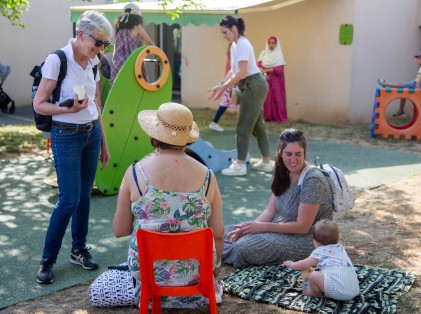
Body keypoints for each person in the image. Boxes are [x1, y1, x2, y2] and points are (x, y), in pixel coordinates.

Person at [110, 102, 224, 308]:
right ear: (187, 137)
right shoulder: (208, 176)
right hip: (197, 280)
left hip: (149, 281)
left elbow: (120, 230)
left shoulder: (136, 173)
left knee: (100, 288)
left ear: (154, 135)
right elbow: (218, 234)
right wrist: (215, 267)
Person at [33, 11, 112, 284]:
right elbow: (39, 104)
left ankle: (78, 249)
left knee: (85, 195)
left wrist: (103, 142)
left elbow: (95, 104)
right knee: (69, 199)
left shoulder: (93, 61)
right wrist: (66, 109)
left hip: (91, 134)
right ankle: (47, 259)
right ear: (81, 35)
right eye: (98, 42)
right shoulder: (57, 60)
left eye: (105, 44)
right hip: (66, 135)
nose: (102, 49)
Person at [222, 128, 334, 267]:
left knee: (242, 248)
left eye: (298, 154)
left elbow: (303, 227)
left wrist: (261, 228)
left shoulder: (313, 180)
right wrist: (249, 229)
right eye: (288, 154)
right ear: (280, 153)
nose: (293, 159)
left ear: (304, 153)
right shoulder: (283, 172)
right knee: (222, 232)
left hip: (305, 239)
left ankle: (215, 250)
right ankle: (215, 247)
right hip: (277, 229)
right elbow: (270, 211)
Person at [209, 15, 272, 176]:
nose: (224, 36)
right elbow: (234, 70)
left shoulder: (243, 44)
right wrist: (220, 84)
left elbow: (243, 71)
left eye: (225, 33)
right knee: (258, 126)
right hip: (251, 84)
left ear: (234, 29)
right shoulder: (235, 45)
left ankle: (240, 165)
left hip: (253, 85)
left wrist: (224, 88)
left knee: (243, 127)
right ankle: (266, 162)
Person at [283, 220, 359, 301]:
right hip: (354, 290)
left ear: (315, 242)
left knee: (312, 275)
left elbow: (303, 265)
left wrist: (290, 264)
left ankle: (317, 293)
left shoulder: (319, 251)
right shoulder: (340, 247)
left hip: (339, 292)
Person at [110, 3, 154, 85]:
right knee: (137, 85)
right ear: (137, 16)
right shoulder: (137, 27)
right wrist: (158, 53)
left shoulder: (120, 27)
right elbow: (149, 42)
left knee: (117, 87)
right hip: (131, 61)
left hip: (117, 62)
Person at [377, 51, 421, 116]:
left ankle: (385, 83)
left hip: (415, 84)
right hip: (414, 83)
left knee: (400, 85)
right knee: (404, 91)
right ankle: (401, 110)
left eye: (418, 58)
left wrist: (418, 86)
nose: (417, 60)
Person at [209, 43, 239, 132]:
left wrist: (222, 84)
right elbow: (231, 71)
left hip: (232, 82)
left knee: (226, 103)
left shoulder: (235, 56)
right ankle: (214, 123)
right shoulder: (233, 56)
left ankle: (214, 123)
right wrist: (222, 84)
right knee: (225, 103)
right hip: (232, 82)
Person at [257, 35, 287, 122]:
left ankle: (277, 117)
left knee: (276, 98)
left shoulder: (279, 54)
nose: (271, 45)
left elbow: (279, 70)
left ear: (276, 44)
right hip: (265, 79)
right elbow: (258, 66)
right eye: (269, 43)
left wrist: (267, 69)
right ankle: (267, 117)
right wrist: (265, 72)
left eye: (273, 43)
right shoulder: (263, 53)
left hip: (276, 81)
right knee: (266, 97)